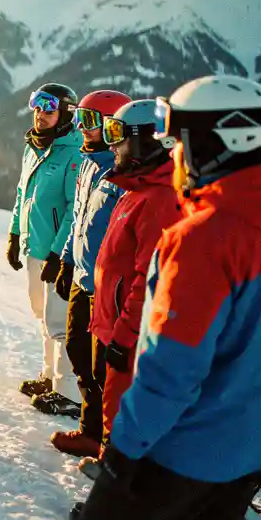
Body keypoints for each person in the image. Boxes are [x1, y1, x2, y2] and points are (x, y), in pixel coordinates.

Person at [74, 75, 261, 520]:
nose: (171, 153)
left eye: (176, 140)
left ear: (212, 145)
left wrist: (121, 454)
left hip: (179, 450)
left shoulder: (201, 239)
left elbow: (171, 370)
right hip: (247, 440)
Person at [74, 99, 182, 478]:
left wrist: (125, 335)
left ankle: (119, 490)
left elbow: (149, 279)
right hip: (113, 324)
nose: (111, 144)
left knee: (125, 414)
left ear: (149, 142)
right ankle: (111, 469)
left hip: (127, 333)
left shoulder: (159, 199)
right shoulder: (135, 189)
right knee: (112, 407)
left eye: (118, 135)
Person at [48, 89, 131, 457]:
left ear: (113, 127)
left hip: (106, 289)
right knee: (78, 353)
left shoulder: (119, 173)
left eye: (91, 122)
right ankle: (89, 430)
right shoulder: (85, 163)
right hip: (82, 278)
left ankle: (110, 443)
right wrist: (67, 259)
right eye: (80, 119)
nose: (83, 128)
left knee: (104, 371)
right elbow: (78, 222)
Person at [7, 82, 84, 417]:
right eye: (37, 107)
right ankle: (50, 377)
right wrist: (14, 234)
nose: (40, 115)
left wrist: (58, 253)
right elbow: (22, 194)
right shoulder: (34, 146)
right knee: (42, 316)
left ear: (65, 112)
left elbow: (73, 208)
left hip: (57, 254)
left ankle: (69, 393)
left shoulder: (73, 152)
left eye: (49, 109)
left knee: (60, 322)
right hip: (34, 247)